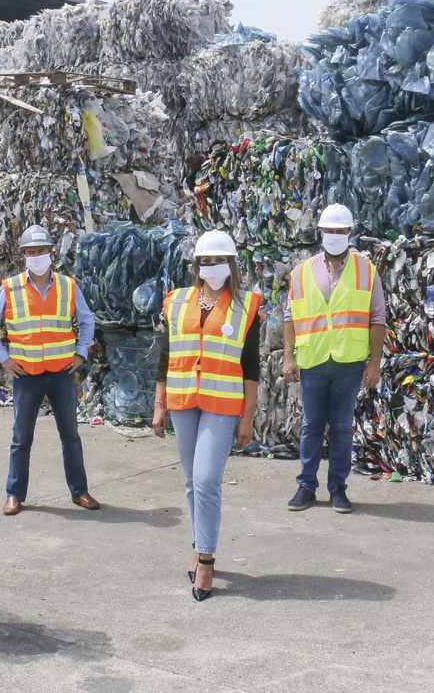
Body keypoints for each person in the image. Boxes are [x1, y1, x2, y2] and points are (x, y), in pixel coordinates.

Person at [152, 230, 261, 602]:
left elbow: (251, 369)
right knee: (190, 480)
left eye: (218, 260)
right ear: (196, 265)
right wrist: (158, 404)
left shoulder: (246, 307)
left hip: (222, 405)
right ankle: (199, 546)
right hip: (183, 401)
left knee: (206, 479)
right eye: (204, 261)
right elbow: (165, 356)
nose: (210, 267)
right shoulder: (177, 302)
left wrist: (247, 418)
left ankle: (207, 561)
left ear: (231, 264)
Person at [0, 224, 98, 516]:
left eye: (41, 251)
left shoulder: (68, 286)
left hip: (62, 374)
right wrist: (5, 359)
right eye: (31, 252)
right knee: (21, 437)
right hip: (26, 375)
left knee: (70, 435)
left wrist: (81, 353)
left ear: (51, 253)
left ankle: (79, 491)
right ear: (24, 256)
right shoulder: (11, 287)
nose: (36, 256)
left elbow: (87, 321)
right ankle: (14, 494)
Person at [283, 204, 386, 514]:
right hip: (313, 359)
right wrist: (288, 357)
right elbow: (290, 316)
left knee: (341, 427)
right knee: (312, 425)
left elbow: (377, 318)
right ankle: (306, 487)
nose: (335, 236)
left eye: (341, 231)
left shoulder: (367, 271)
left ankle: (338, 488)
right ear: (320, 233)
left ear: (351, 234)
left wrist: (374, 363)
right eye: (330, 230)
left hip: (349, 361)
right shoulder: (301, 271)